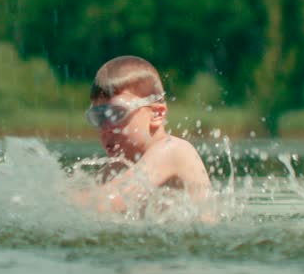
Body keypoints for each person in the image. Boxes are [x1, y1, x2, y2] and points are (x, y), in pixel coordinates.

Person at [73, 56, 211, 214]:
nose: (106, 127)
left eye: (116, 113)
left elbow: (106, 202)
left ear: (156, 115)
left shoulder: (172, 151)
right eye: (98, 117)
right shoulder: (118, 167)